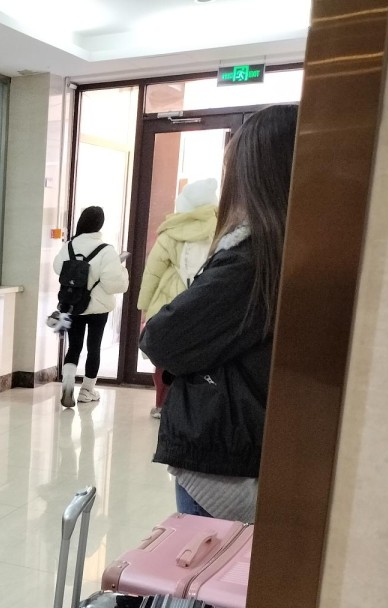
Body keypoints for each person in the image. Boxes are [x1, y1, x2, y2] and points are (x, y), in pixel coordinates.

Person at [141, 104, 300, 523]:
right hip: (262, 442)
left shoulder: (251, 257)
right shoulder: (299, 250)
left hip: (225, 458)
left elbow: (163, 337)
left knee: (208, 560)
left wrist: (148, 310)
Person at [136, 178, 219, 418]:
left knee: (164, 357)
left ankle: (162, 405)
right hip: (204, 305)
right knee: (198, 359)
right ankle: (193, 408)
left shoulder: (171, 233)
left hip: (169, 303)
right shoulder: (220, 230)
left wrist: (144, 307)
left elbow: (152, 274)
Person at [52, 206, 130, 407]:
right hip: (98, 308)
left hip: (73, 304)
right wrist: (122, 270)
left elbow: (58, 268)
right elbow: (115, 284)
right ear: (100, 225)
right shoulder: (106, 250)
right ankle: (87, 391)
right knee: (93, 347)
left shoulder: (69, 246)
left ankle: (68, 385)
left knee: (74, 346)